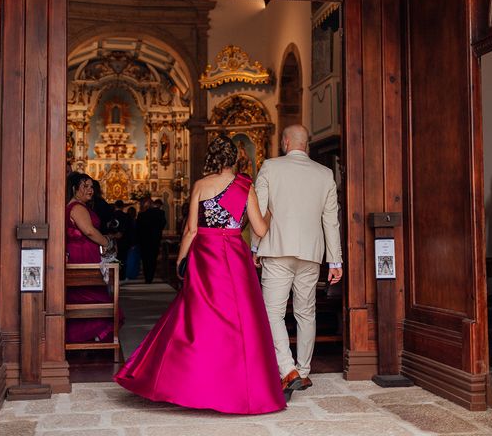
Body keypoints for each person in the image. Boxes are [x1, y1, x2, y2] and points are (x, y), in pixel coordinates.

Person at [115, 135, 285, 414]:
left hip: (205, 255)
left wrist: (182, 259)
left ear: (212, 158)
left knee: (197, 319)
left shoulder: (200, 186)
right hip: (234, 256)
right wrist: (270, 213)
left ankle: (190, 384)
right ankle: (242, 391)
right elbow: (261, 230)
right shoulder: (245, 187)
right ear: (235, 158)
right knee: (242, 321)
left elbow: (191, 230)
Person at [252, 124, 343, 397]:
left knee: (273, 313)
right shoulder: (325, 174)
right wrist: (335, 262)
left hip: (277, 249)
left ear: (285, 142)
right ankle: (303, 371)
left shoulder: (270, 166)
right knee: (306, 312)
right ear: (308, 145)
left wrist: (255, 247)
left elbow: (261, 210)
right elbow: (331, 221)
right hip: (311, 254)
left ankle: (287, 369)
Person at [65, 172, 118, 343]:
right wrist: (107, 242)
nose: (90, 190)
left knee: (86, 295)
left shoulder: (75, 206)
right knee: (90, 295)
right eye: (85, 186)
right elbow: (88, 230)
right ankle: (89, 335)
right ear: (74, 189)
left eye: (91, 186)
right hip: (81, 256)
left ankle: (89, 335)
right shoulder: (77, 208)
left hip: (82, 254)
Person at [136, 197, 166, 283]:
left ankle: (147, 277)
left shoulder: (141, 215)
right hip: (155, 239)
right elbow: (163, 224)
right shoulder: (160, 213)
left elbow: (138, 228)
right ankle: (151, 277)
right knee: (153, 258)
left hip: (144, 240)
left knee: (145, 259)